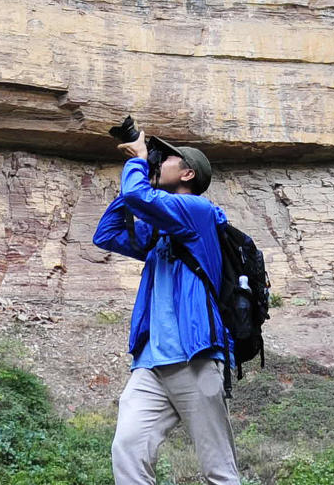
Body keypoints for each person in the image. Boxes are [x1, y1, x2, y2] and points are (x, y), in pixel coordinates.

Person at [91, 129, 239, 485]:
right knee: (127, 448)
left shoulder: (199, 213)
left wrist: (140, 164)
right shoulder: (160, 232)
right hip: (151, 365)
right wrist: (141, 179)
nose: (159, 162)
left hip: (196, 358)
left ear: (187, 173)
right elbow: (106, 234)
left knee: (217, 467)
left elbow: (140, 197)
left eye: (167, 159)